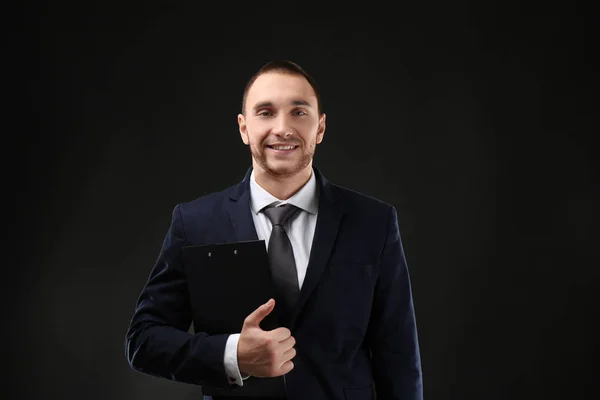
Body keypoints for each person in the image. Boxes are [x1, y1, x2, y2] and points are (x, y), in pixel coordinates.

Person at [125, 60, 423, 400]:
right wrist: (234, 354)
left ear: (320, 128)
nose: (283, 128)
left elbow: (399, 357)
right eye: (265, 113)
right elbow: (143, 340)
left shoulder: (374, 221)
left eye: (299, 112)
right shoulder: (195, 222)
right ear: (243, 128)